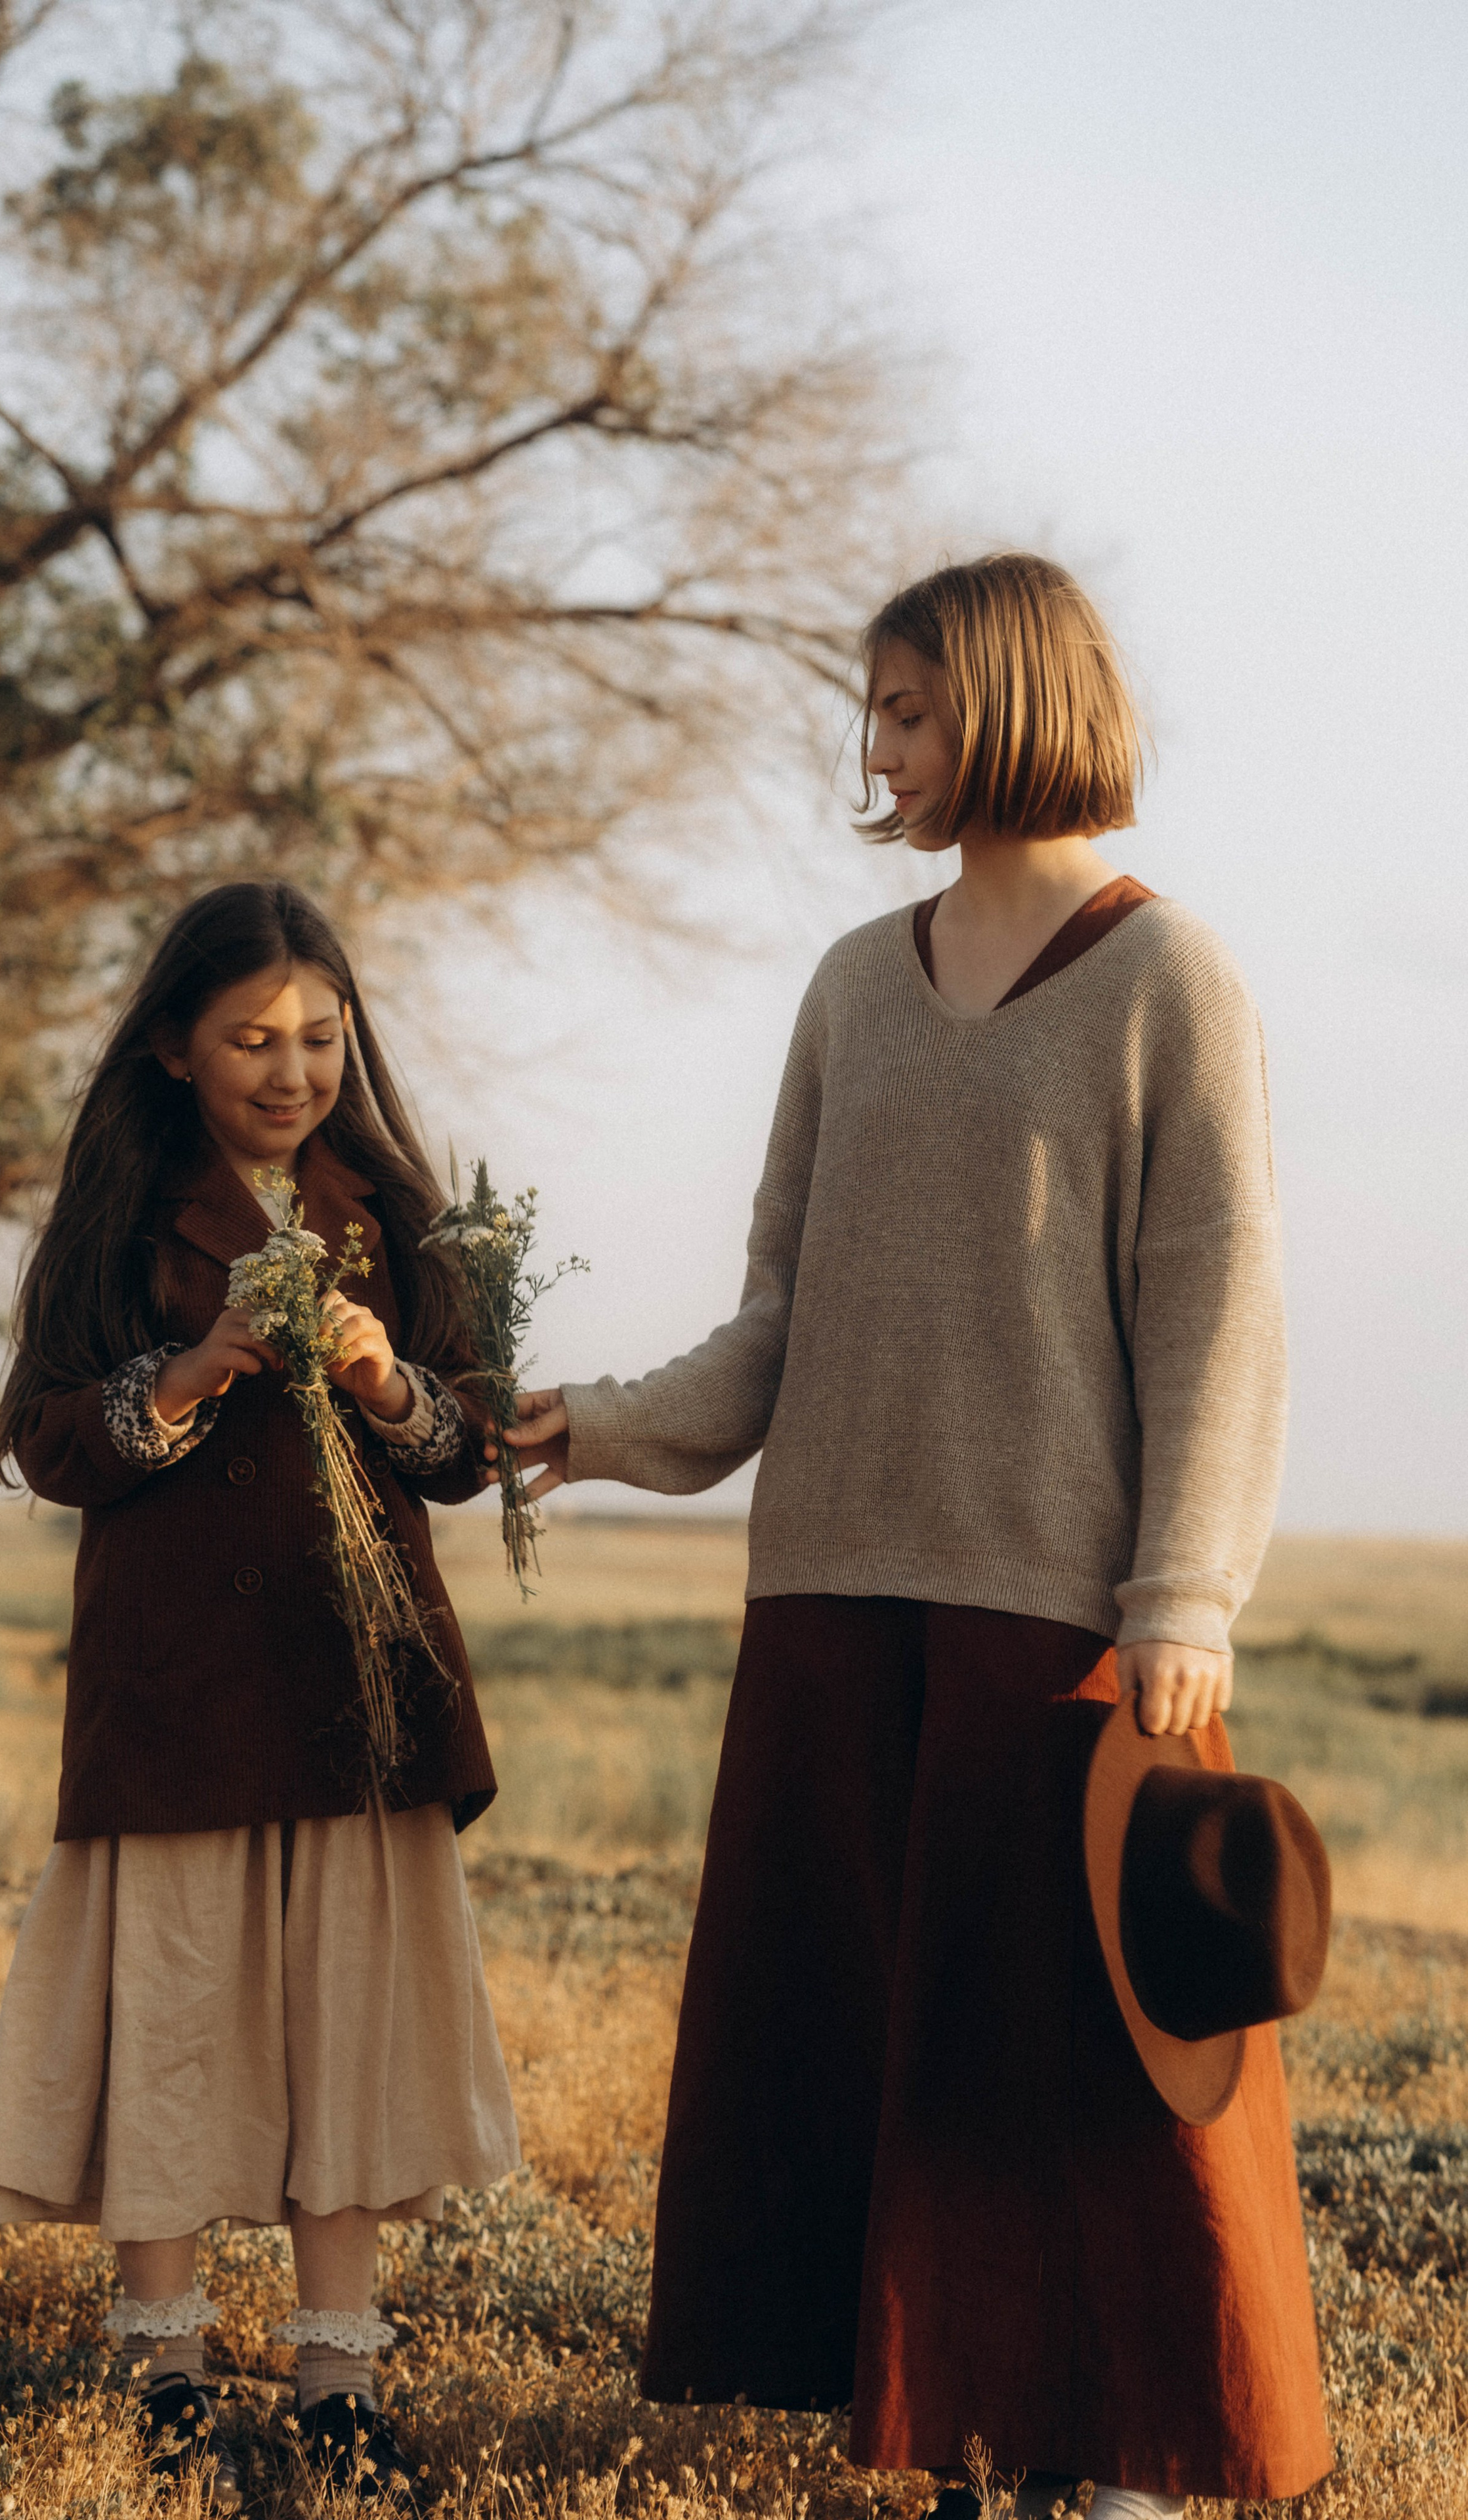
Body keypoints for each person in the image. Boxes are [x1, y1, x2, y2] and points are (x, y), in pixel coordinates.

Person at [505, 555, 1332, 2518]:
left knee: (1097, 2078)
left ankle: (1129, 2465)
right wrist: (595, 1428)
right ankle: (958, 2445)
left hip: (1061, 1628)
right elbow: (779, 1324)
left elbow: (1226, 1309)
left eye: (910, 709)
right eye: (871, 712)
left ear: (1018, 703)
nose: (878, 750)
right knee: (893, 2070)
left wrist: (1185, 1593)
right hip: (831, 1614)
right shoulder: (850, 989)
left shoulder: (1171, 981)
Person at [0, 881, 519, 2511]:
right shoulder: (123, 1217)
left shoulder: (398, 1213)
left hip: (356, 1699)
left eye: (320, 1036)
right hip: (178, 1705)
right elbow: (46, 1437)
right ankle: (164, 2369)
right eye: (251, 1039)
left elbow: (464, 1449)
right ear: (170, 1050)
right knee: (179, 2026)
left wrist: (382, 1381)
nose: (292, 1070)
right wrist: (196, 1368)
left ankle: (338, 2375)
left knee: (342, 2031)